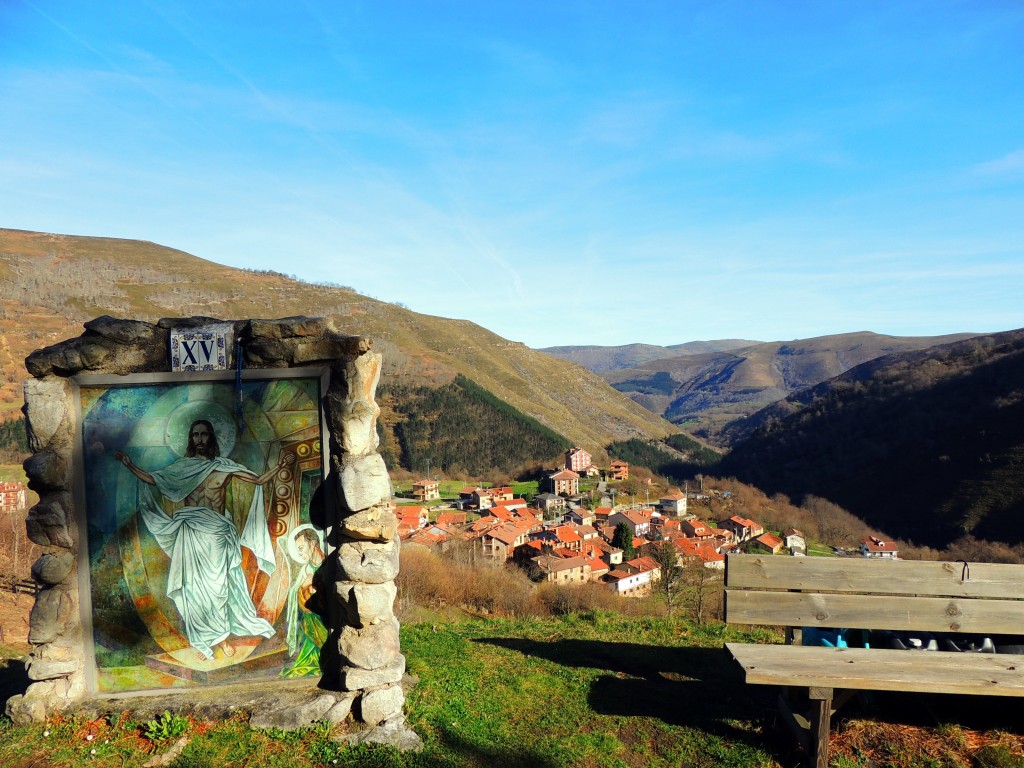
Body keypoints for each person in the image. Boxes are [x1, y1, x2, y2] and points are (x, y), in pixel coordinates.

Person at [115, 419, 294, 661]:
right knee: (193, 590)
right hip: (191, 532)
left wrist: (280, 466)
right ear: (191, 439)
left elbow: (259, 480)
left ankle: (221, 636)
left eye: (204, 434)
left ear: (211, 438)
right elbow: (152, 479)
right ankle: (205, 640)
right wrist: (129, 465)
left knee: (218, 588)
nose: (200, 439)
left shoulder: (225, 467)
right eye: (195, 434)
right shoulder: (182, 469)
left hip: (218, 534)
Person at [280, 527, 327, 678]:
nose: (300, 553)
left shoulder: (328, 564)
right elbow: (297, 596)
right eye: (297, 550)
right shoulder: (305, 570)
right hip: (311, 620)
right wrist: (303, 588)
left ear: (313, 544)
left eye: (301, 548)